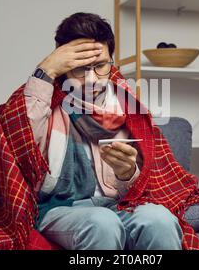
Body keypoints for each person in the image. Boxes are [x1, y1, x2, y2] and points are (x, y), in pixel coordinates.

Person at [23, 12, 183, 249]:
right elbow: (22, 147)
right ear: (63, 67)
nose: (91, 80)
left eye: (100, 66)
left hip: (117, 204)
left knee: (160, 219)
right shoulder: (45, 102)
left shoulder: (126, 107)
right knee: (102, 222)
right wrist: (45, 70)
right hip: (60, 208)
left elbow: (141, 186)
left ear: (111, 62)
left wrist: (127, 173)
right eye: (80, 68)